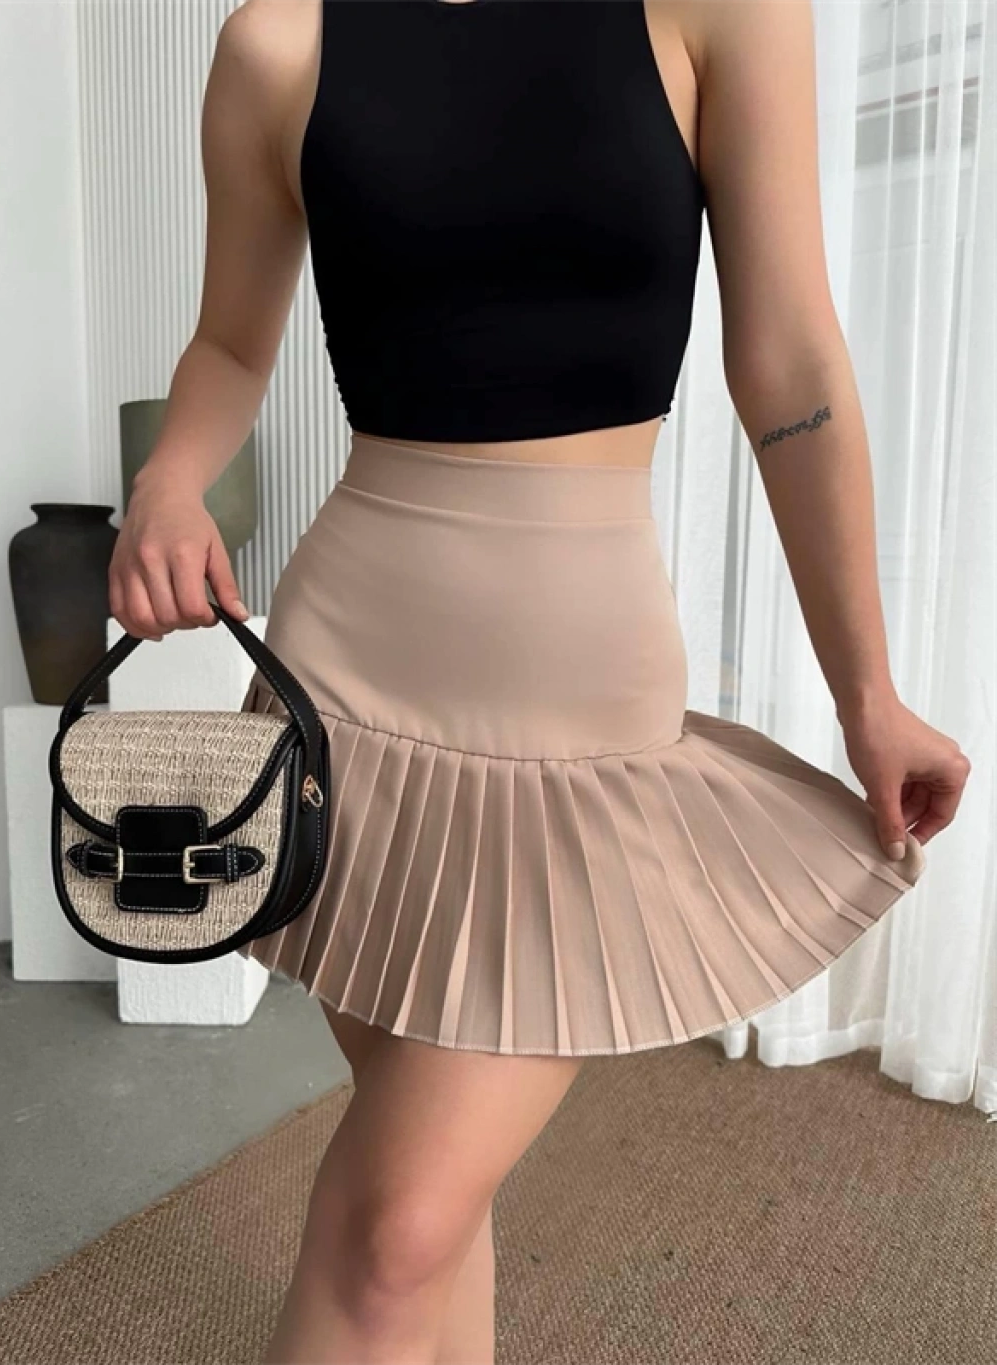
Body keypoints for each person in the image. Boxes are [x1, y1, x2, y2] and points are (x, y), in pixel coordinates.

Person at [107, 1, 971, 1361]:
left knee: (397, 1229)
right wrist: (169, 481)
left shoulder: (719, 12)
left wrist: (866, 691)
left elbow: (790, 364)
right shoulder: (281, 44)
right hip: (345, 698)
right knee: (428, 1224)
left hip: (581, 715)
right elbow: (229, 345)